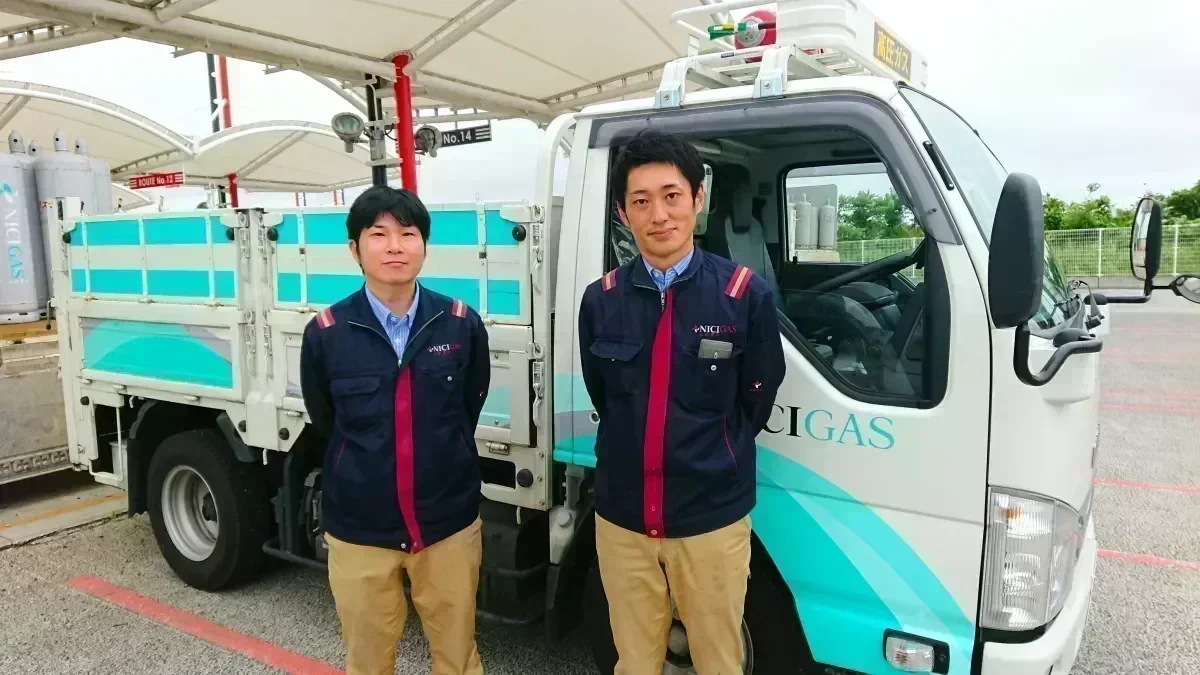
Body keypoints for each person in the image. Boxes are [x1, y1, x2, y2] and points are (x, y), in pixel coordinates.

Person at [577, 130, 785, 674]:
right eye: (641, 201)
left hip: (710, 523)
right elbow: (605, 394)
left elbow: (757, 396)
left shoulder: (744, 295)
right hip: (622, 522)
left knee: (719, 661)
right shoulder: (600, 301)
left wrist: (710, 452)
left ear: (698, 198)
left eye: (672, 196)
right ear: (622, 212)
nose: (659, 215)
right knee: (633, 662)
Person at [299, 185, 490, 675]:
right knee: (368, 659)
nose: (394, 247)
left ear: (424, 245)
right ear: (355, 249)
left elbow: (468, 406)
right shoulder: (326, 333)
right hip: (360, 530)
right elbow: (327, 420)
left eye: (407, 234)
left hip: (447, 525)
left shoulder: (459, 324)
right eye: (378, 234)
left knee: (459, 657)